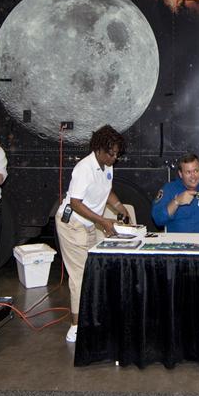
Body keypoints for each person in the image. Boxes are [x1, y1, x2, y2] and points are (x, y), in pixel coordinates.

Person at [57, 125, 130, 344]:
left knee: (92, 271)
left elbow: (107, 190)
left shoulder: (106, 165)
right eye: (112, 153)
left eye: (117, 153)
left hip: (88, 224)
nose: (115, 158)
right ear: (99, 149)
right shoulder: (84, 168)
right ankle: (76, 327)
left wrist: (120, 208)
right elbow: (76, 203)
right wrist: (102, 221)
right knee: (80, 276)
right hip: (72, 224)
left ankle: (90, 316)